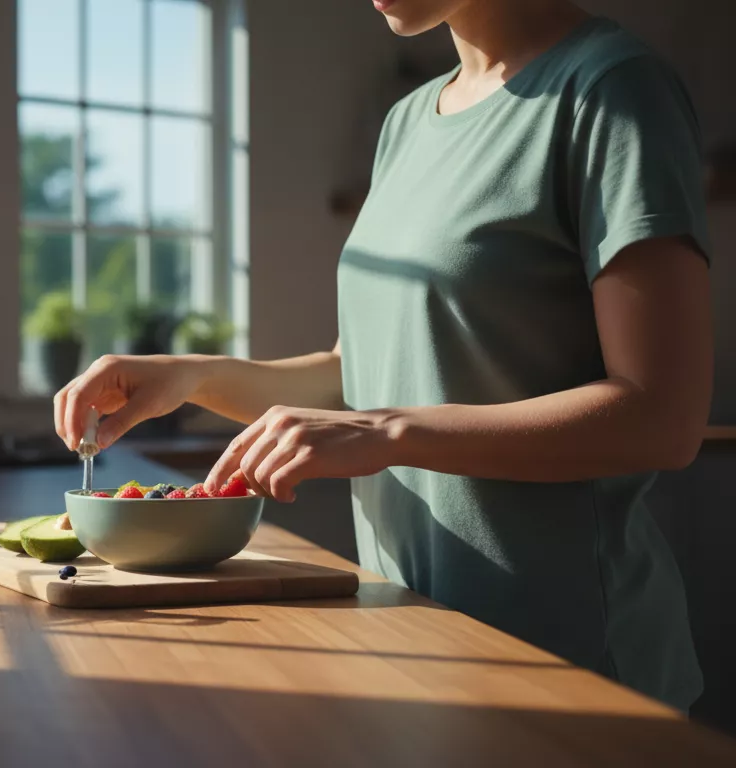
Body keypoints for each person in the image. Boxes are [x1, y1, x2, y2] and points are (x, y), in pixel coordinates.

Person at [53, 0, 711, 711]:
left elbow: (662, 418)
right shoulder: (408, 122)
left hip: (573, 664)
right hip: (415, 637)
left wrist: (390, 433)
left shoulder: (612, 89)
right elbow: (362, 375)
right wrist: (191, 376)